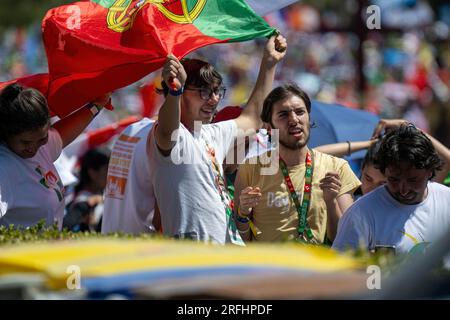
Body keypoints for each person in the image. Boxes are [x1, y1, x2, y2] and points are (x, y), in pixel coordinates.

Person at [144, 34, 287, 244]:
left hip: (224, 255)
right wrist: (175, 91)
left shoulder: (210, 133)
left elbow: (253, 118)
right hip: (193, 259)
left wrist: (269, 62)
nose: (214, 99)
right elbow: (166, 129)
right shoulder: (172, 136)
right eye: (203, 92)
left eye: (216, 91)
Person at [234, 83, 361, 244]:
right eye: (283, 114)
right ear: (268, 126)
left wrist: (331, 202)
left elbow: (346, 241)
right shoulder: (250, 168)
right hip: (268, 268)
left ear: (309, 117)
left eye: (300, 112)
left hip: (315, 267)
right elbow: (241, 241)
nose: (294, 120)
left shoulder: (337, 167)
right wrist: (243, 213)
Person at [0, 83, 110, 229]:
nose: (33, 148)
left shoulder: (41, 148)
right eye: (25, 142)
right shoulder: (3, 168)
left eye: (42, 139)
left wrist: (97, 105)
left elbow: (62, 133)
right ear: (7, 134)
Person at [332, 124, 450, 254]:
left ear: (430, 171)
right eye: (394, 179)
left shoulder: (446, 200)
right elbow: (340, 267)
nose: (403, 189)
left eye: (413, 180)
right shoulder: (360, 213)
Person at [102, 117, 159, 234]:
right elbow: (163, 216)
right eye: (204, 96)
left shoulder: (130, 130)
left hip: (111, 239)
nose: (208, 101)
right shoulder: (166, 138)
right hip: (141, 245)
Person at [63, 147, 110, 232]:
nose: (111, 176)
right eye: (107, 170)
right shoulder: (79, 201)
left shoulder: (103, 196)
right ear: (92, 172)